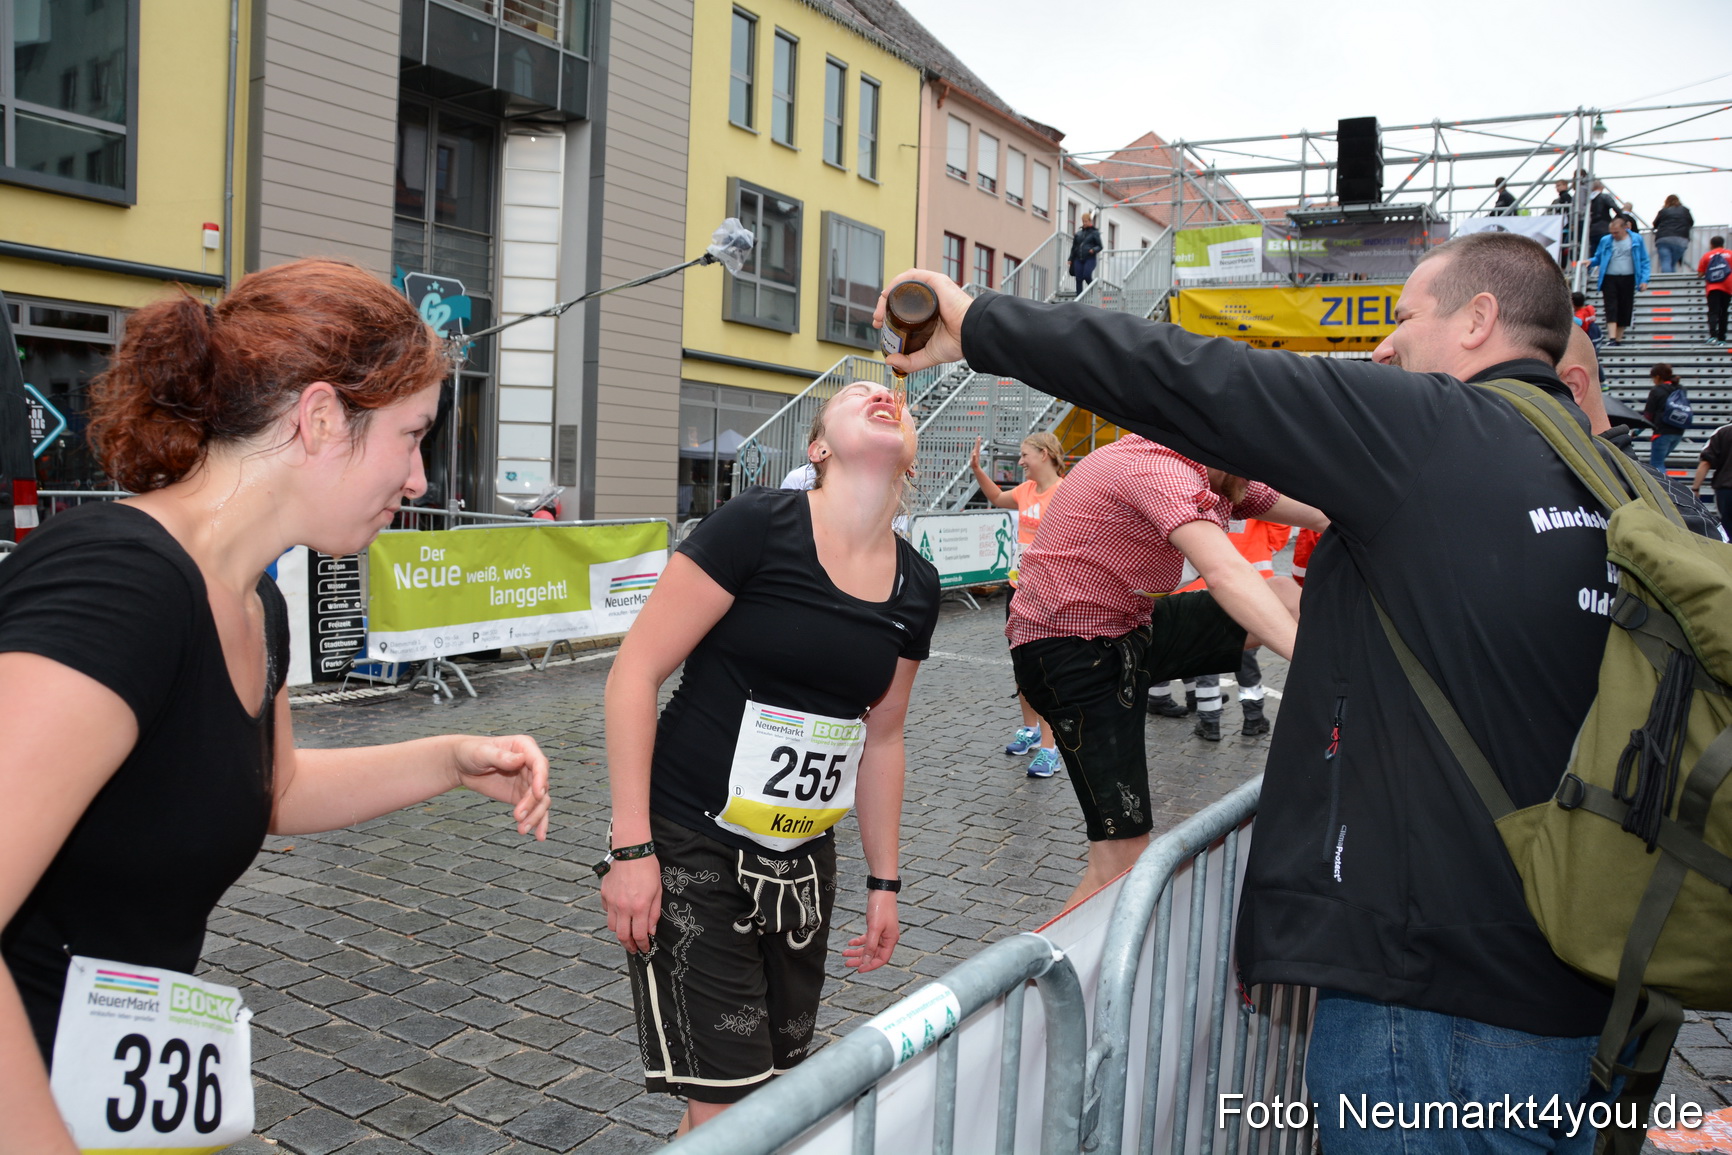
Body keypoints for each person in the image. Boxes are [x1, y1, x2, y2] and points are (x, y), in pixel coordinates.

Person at [874, 229, 1710, 1152]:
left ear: (1478, 321)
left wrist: (980, 321)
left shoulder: (1434, 429)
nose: (1389, 347)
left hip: (1430, 1003)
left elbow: (1195, 376)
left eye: (1405, 318)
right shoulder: (1623, 486)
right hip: (1579, 993)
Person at [0, 261, 553, 1153]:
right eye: (412, 437)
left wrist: (449, 758)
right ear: (323, 416)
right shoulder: (118, 585)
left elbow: (273, 787)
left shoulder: (261, 604)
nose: (418, 479)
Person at [599, 381, 938, 1134]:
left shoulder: (917, 585)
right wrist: (631, 846)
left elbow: (882, 736)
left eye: (896, 402)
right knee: (730, 1101)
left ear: (910, 455)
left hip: (799, 862)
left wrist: (885, 881)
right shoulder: (757, 525)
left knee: (769, 1090)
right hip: (692, 836)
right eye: (857, 395)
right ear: (818, 448)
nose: (884, 394)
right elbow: (634, 672)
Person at [1001, 434, 1324, 910]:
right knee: (1122, 860)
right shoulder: (1161, 468)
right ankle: (1040, 982)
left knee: (1283, 596)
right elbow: (1226, 574)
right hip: (1068, 655)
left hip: (1130, 630)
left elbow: (1317, 513)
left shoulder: (1215, 464)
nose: (1264, 464)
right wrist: (1322, 670)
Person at [969, 432, 1066, 774]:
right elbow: (996, 497)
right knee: (1021, 662)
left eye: (1025, 455)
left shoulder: (1065, 494)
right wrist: (977, 469)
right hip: (1018, 587)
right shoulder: (1025, 491)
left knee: (1045, 666)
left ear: (1044, 454)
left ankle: (1051, 748)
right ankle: (1031, 730)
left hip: (1048, 593)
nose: (1021, 461)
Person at [1590, 213, 1649, 344]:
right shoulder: (1606, 240)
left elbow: (1644, 260)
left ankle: (1618, 338)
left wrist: (1644, 280)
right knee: (1611, 306)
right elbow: (1598, 257)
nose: (1614, 235)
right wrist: (1589, 261)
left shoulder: (1636, 239)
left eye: (1616, 232)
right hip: (1610, 277)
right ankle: (1611, 337)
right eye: (1612, 233)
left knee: (1625, 307)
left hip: (1629, 277)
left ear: (1625, 228)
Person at [1642, 363, 1687, 472]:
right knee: (1660, 461)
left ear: (1657, 377)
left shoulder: (1656, 390)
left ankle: (1662, 488)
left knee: (1657, 464)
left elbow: (1648, 415)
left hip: (1662, 431)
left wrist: (1637, 432)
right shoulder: (1680, 389)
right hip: (1678, 431)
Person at [1691, 421, 1732, 526]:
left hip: (1727, 489)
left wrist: (1695, 488)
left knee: (1728, 529)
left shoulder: (1723, 431)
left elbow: (1705, 462)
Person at [1698, 234, 1730, 347]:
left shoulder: (1707, 256)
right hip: (1727, 287)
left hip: (1712, 287)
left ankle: (1712, 336)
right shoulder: (1730, 254)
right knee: (1723, 312)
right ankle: (1722, 339)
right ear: (1723, 244)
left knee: (1713, 312)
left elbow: (1700, 274)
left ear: (1711, 245)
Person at [1652, 195, 1695, 275]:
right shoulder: (1685, 210)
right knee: (1672, 262)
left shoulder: (1663, 211)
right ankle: (1671, 282)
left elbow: (1655, 224)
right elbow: (1691, 222)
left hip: (1664, 238)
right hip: (1681, 239)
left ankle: (1667, 282)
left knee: (1666, 261)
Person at [1069, 212, 1104, 296]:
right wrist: (1070, 259)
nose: (1084, 223)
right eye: (1083, 221)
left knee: (1087, 275)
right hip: (1078, 258)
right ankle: (1079, 297)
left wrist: (1093, 250)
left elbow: (1100, 246)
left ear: (1090, 221)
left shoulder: (1094, 233)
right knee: (1078, 278)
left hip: (1089, 258)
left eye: (1086, 221)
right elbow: (1074, 247)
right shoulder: (1078, 234)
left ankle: (1095, 291)